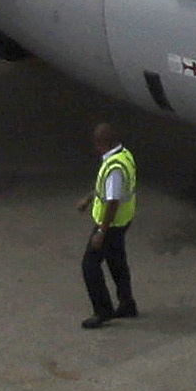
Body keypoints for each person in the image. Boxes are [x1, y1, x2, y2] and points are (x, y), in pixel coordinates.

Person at [78, 121, 140, 326]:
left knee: (90, 265)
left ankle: (102, 310)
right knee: (117, 262)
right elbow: (105, 188)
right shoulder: (123, 156)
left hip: (110, 225)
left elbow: (112, 201)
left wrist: (100, 232)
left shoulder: (114, 167)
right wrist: (89, 198)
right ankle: (127, 304)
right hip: (122, 222)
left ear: (101, 143)